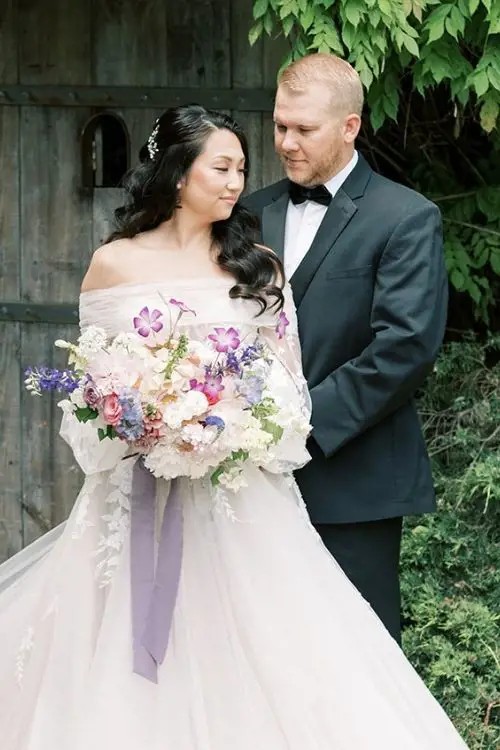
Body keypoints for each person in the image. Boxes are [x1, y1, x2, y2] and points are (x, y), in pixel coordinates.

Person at [0, 105, 467, 749]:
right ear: (175, 174)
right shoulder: (113, 265)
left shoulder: (260, 268)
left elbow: (289, 395)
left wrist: (225, 430)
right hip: (133, 499)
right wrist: (142, 423)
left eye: (242, 169)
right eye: (220, 167)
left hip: (238, 502)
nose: (235, 183)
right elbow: (88, 397)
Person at [244, 53, 448, 643]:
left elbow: (404, 350)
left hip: (353, 480)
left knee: (357, 656)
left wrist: (294, 425)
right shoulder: (250, 214)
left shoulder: (406, 217)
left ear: (350, 126)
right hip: (249, 483)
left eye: (304, 129)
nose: (286, 142)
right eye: (280, 125)